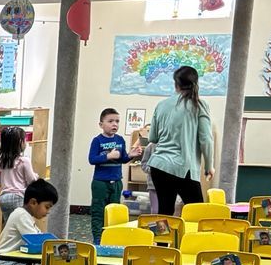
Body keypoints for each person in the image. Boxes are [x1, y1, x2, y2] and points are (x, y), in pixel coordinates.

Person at [145, 65, 215, 216]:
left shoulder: (162, 105)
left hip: (159, 165)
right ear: (196, 83)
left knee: (164, 213)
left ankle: (162, 240)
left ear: (176, 84)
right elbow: (206, 139)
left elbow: (152, 138)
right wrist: (209, 166)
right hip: (184, 167)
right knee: (197, 214)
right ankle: (194, 240)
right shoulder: (200, 104)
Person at [86, 107, 139, 240]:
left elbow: (122, 159)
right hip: (100, 182)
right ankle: (98, 240)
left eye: (117, 121)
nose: (114, 124)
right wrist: (108, 156)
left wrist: (130, 155)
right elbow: (92, 159)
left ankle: (110, 237)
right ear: (101, 124)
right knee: (99, 212)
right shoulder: (97, 140)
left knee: (113, 212)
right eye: (110, 121)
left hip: (116, 182)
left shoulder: (120, 140)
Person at [0, 126, 37, 224]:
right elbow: (32, 182)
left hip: (3, 198)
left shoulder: (2, 162)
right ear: (20, 142)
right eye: (24, 140)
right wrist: (36, 176)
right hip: (18, 197)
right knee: (23, 225)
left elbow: (0, 182)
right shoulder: (24, 161)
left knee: (10, 225)